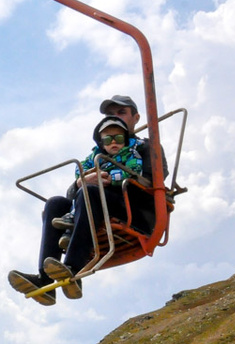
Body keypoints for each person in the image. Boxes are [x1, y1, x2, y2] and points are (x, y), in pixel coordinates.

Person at [8, 95, 159, 305]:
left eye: (122, 113)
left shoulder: (144, 148)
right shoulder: (98, 153)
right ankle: (44, 278)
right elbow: (74, 193)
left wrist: (112, 179)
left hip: (131, 207)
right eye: (110, 115)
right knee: (55, 203)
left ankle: (73, 267)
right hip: (96, 202)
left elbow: (153, 180)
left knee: (91, 191)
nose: (116, 118)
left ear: (135, 118)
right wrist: (80, 183)